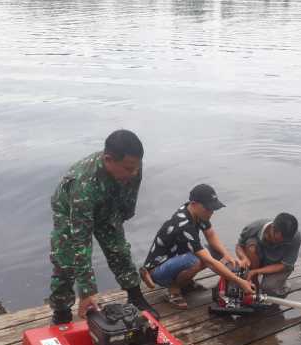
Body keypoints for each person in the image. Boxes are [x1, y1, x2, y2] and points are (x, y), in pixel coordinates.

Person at [48, 129, 157, 324]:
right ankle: (62, 310)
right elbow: (80, 242)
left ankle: (135, 295)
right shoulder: (83, 183)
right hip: (70, 210)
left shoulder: (132, 166)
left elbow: (130, 197)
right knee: (66, 259)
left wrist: (120, 219)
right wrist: (87, 291)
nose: (133, 173)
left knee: (119, 250)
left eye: (136, 167)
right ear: (108, 159)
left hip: (107, 203)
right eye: (128, 168)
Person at [140, 184, 254, 310]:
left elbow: (210, 234)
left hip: (175, 258)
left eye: (213, 209)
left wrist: (226, 254)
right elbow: (209, 262)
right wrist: (240, 282)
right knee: (198, 259)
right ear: (194, 204)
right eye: (208, 209)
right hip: (157, 270)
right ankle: (174, 290)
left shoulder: (195, 212)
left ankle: (185, 283)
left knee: (213, 252)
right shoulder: (183, 224)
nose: (211, 212)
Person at [235, 213, 301, 297]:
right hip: (260, 259)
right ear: (272, 228)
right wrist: (244, 258)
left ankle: (283, 286)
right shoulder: (253, 227)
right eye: (277, 240)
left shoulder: (296, 237)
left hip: (278, 264)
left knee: (268, 287)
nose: (280, 243)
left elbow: (285, 265)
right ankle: (254, 280)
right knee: (250, 244)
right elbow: (239, 246)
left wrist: (256, 271)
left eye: (284, 242)